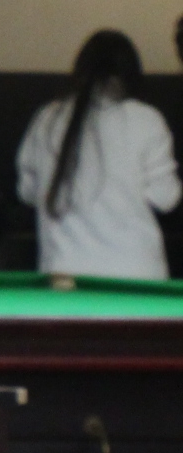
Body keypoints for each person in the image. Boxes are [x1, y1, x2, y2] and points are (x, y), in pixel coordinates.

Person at [15, 30, 179, 281]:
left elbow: (27, 191)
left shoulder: (47, 118)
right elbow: (166, 198)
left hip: (63, 274)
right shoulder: (146, 119)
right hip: (138, 274)